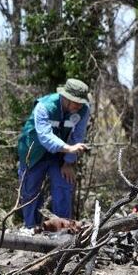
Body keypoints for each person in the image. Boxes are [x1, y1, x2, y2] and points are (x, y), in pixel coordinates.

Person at [17, 78, 91, 230]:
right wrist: (68, 148)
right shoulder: (44, 106)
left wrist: (69, 162)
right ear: (65, 97)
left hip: (60, 155)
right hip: (33, 153)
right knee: (30, 192)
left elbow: (78, 137)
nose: (79, 106)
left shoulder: (83, 110)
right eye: (76, 102)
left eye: (81, 102)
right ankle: (31, 228)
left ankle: (63, 231)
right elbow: (44, 136)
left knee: (63, 185)